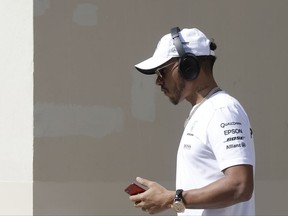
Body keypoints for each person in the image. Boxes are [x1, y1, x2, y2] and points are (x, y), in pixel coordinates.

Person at [129, 27, 255, 216]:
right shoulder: (206, 111)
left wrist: (171, 198)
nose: (158, 81)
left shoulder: (222, 110)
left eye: (162, 71)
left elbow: (240, 186)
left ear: (188, 67)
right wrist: (172, 201)